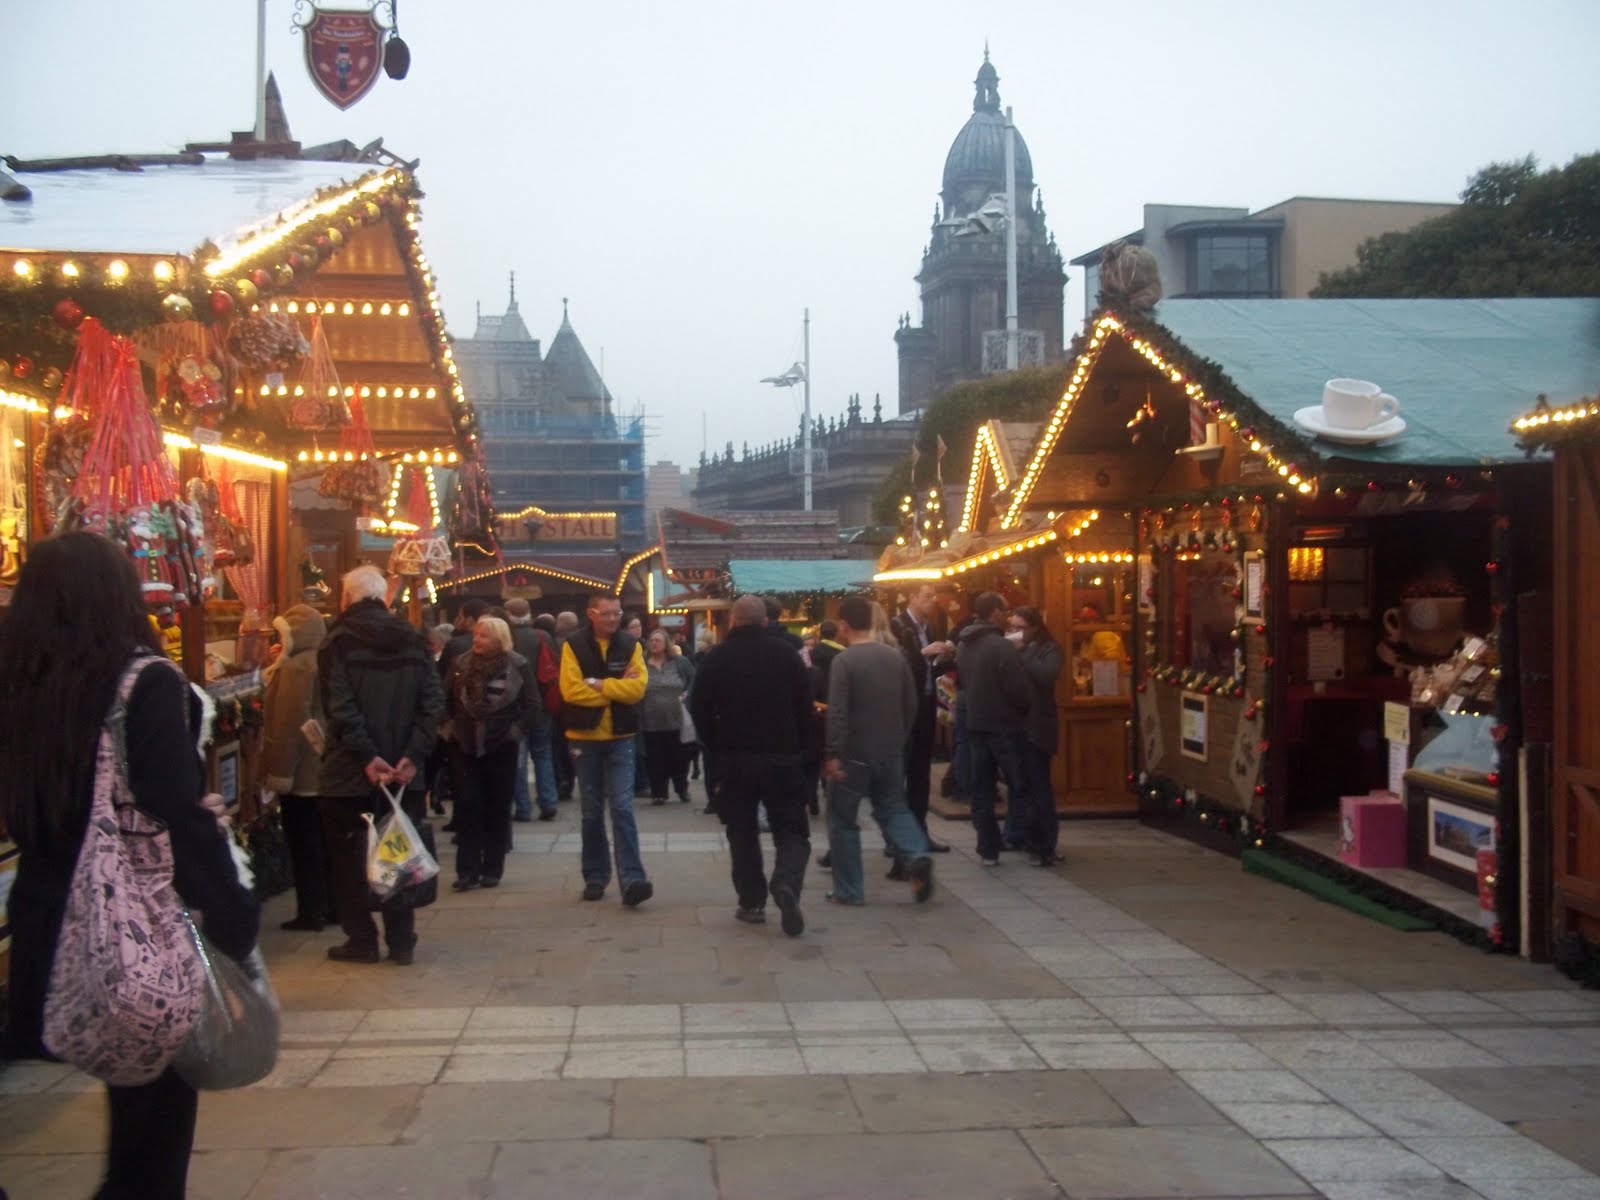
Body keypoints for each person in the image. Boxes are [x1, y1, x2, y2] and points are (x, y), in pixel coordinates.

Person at [0, 532, 260, 1200]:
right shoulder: (143, 682)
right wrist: (230, 914)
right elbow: (173, 807)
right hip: (131, 930)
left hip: (42, 920)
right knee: (152, 1133)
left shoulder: (17, 682)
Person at [318, 564, 444, 964]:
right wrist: (412, 754)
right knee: (397, 849)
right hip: (405, 773)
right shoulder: (414, 641)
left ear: (347, 598)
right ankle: (402, 940)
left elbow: (340, 708)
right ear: (383, 597)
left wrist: (367, 756)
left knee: (349, 858)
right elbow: (433, 703)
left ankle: (362, 939)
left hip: (350, 772)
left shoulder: (336, 642)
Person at [689, 594, 812, 936]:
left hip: (735, 759)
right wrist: (803, 752)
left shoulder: (716, 658)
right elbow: (806, 708)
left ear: (732, 622)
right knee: (792, 831)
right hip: (783, 757)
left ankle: (752, 902)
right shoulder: (787, 655)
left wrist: (715, 744)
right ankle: (786, 882)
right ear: (764, 621)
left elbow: (698, 708)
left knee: (741, 832)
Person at [822, 595, 934, 906]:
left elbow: (838, 712)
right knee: (893, 807)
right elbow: (911, 703)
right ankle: (915, 852)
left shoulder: (844, 661)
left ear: (844, 625)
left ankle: (849, 890)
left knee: (843, 820)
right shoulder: (894, 656)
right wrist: (899, 737)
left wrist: (833, 753)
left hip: (854, 752)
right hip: (891, 748)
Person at [560, 594, 653, 906]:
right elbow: (571, 691)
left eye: (617, 614)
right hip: (584, 737)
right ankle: (595, 876)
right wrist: (615, 690)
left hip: (621, 735)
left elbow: (638, 689)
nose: (614, 620)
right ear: (591, 614)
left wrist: (599, 685)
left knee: (623, 807)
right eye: (607, 614)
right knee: (591, 811)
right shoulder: (572, 645)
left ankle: (633, 878)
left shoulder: (631, 645)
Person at [443, 616, 538, 890]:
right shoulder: (460, 664)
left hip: (500, 745)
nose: (476, 640)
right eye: (476, 635)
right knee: (468, 804)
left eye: (483, 635)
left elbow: (532, 705)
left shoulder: (517, 665)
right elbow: (445, 697)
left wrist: (514, 733)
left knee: (497, 806)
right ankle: (467, 870)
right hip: (464, 743)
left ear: (499, 639)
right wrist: (449, 728)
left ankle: (492, 868)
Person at [263, 603, 333, 931]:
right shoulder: (324, 660)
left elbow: (287, 724)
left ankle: (311, 910)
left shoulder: (295, 669)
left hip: (303, 770)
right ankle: (332, 906)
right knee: (325, 840)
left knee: (304, 843)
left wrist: (280, 772)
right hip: (325, 766)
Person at [955, 591, 1033, 866]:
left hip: (976, 722)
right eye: (1006, 610)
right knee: (1020, 782)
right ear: (995, 613)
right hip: (1003, 724)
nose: (1009, 616)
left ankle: (988, 848)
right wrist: (1024, 709)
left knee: (982, 787)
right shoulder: (1000, 646)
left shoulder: (964, 644)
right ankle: (1021, 837)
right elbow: (1018, 689)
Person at [895, 583, 956, 852]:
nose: (932, 601)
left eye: (934, 597)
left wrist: (944, 656)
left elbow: (929, 668)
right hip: (905, 709)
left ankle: (920, 833)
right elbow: (894, 663)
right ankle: (897, 838)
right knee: (900, 774)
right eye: (926, 597)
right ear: (912, 597)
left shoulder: (929, 628)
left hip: (926, 705)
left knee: (920, 773)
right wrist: (923, 653)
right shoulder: (897, 625)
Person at [1011, 606, 1065, 866]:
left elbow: (1046, 676)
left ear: (1034, 627)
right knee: (1023, 786)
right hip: (1017, 725)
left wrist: (1022, 656)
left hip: (1038, 727)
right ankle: (1027, 837)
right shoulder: (1013, 649)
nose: (1016, 633)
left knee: (1039, 786)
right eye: (1013, 627)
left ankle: (1045, 844)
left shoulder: (1049, 649)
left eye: (1020, 628)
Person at [505, 598, 559, 822]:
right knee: (543, 753)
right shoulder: (542, 636)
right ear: (529, 613)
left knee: (518, 757)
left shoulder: (508, 638)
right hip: (542, 704)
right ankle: (548, 801)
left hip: (515, 706)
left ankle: (523, 807)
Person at [639, 628, 694, 804]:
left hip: (676, 720)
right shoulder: (642, 664)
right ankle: (659, 792)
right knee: (655, 759)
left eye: (658, 640)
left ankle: (682, 789)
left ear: (666, 644)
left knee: (679, 758)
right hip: (650, 721)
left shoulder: (680, 663)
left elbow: (694, 681)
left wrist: (687, 693)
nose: (654, 643)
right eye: (651, 640)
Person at [551, 610, 581, 801]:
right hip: (579, 699)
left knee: (559, 743)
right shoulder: (582, 642)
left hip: (559, 699)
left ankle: (564, 782)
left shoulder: (555, 643)